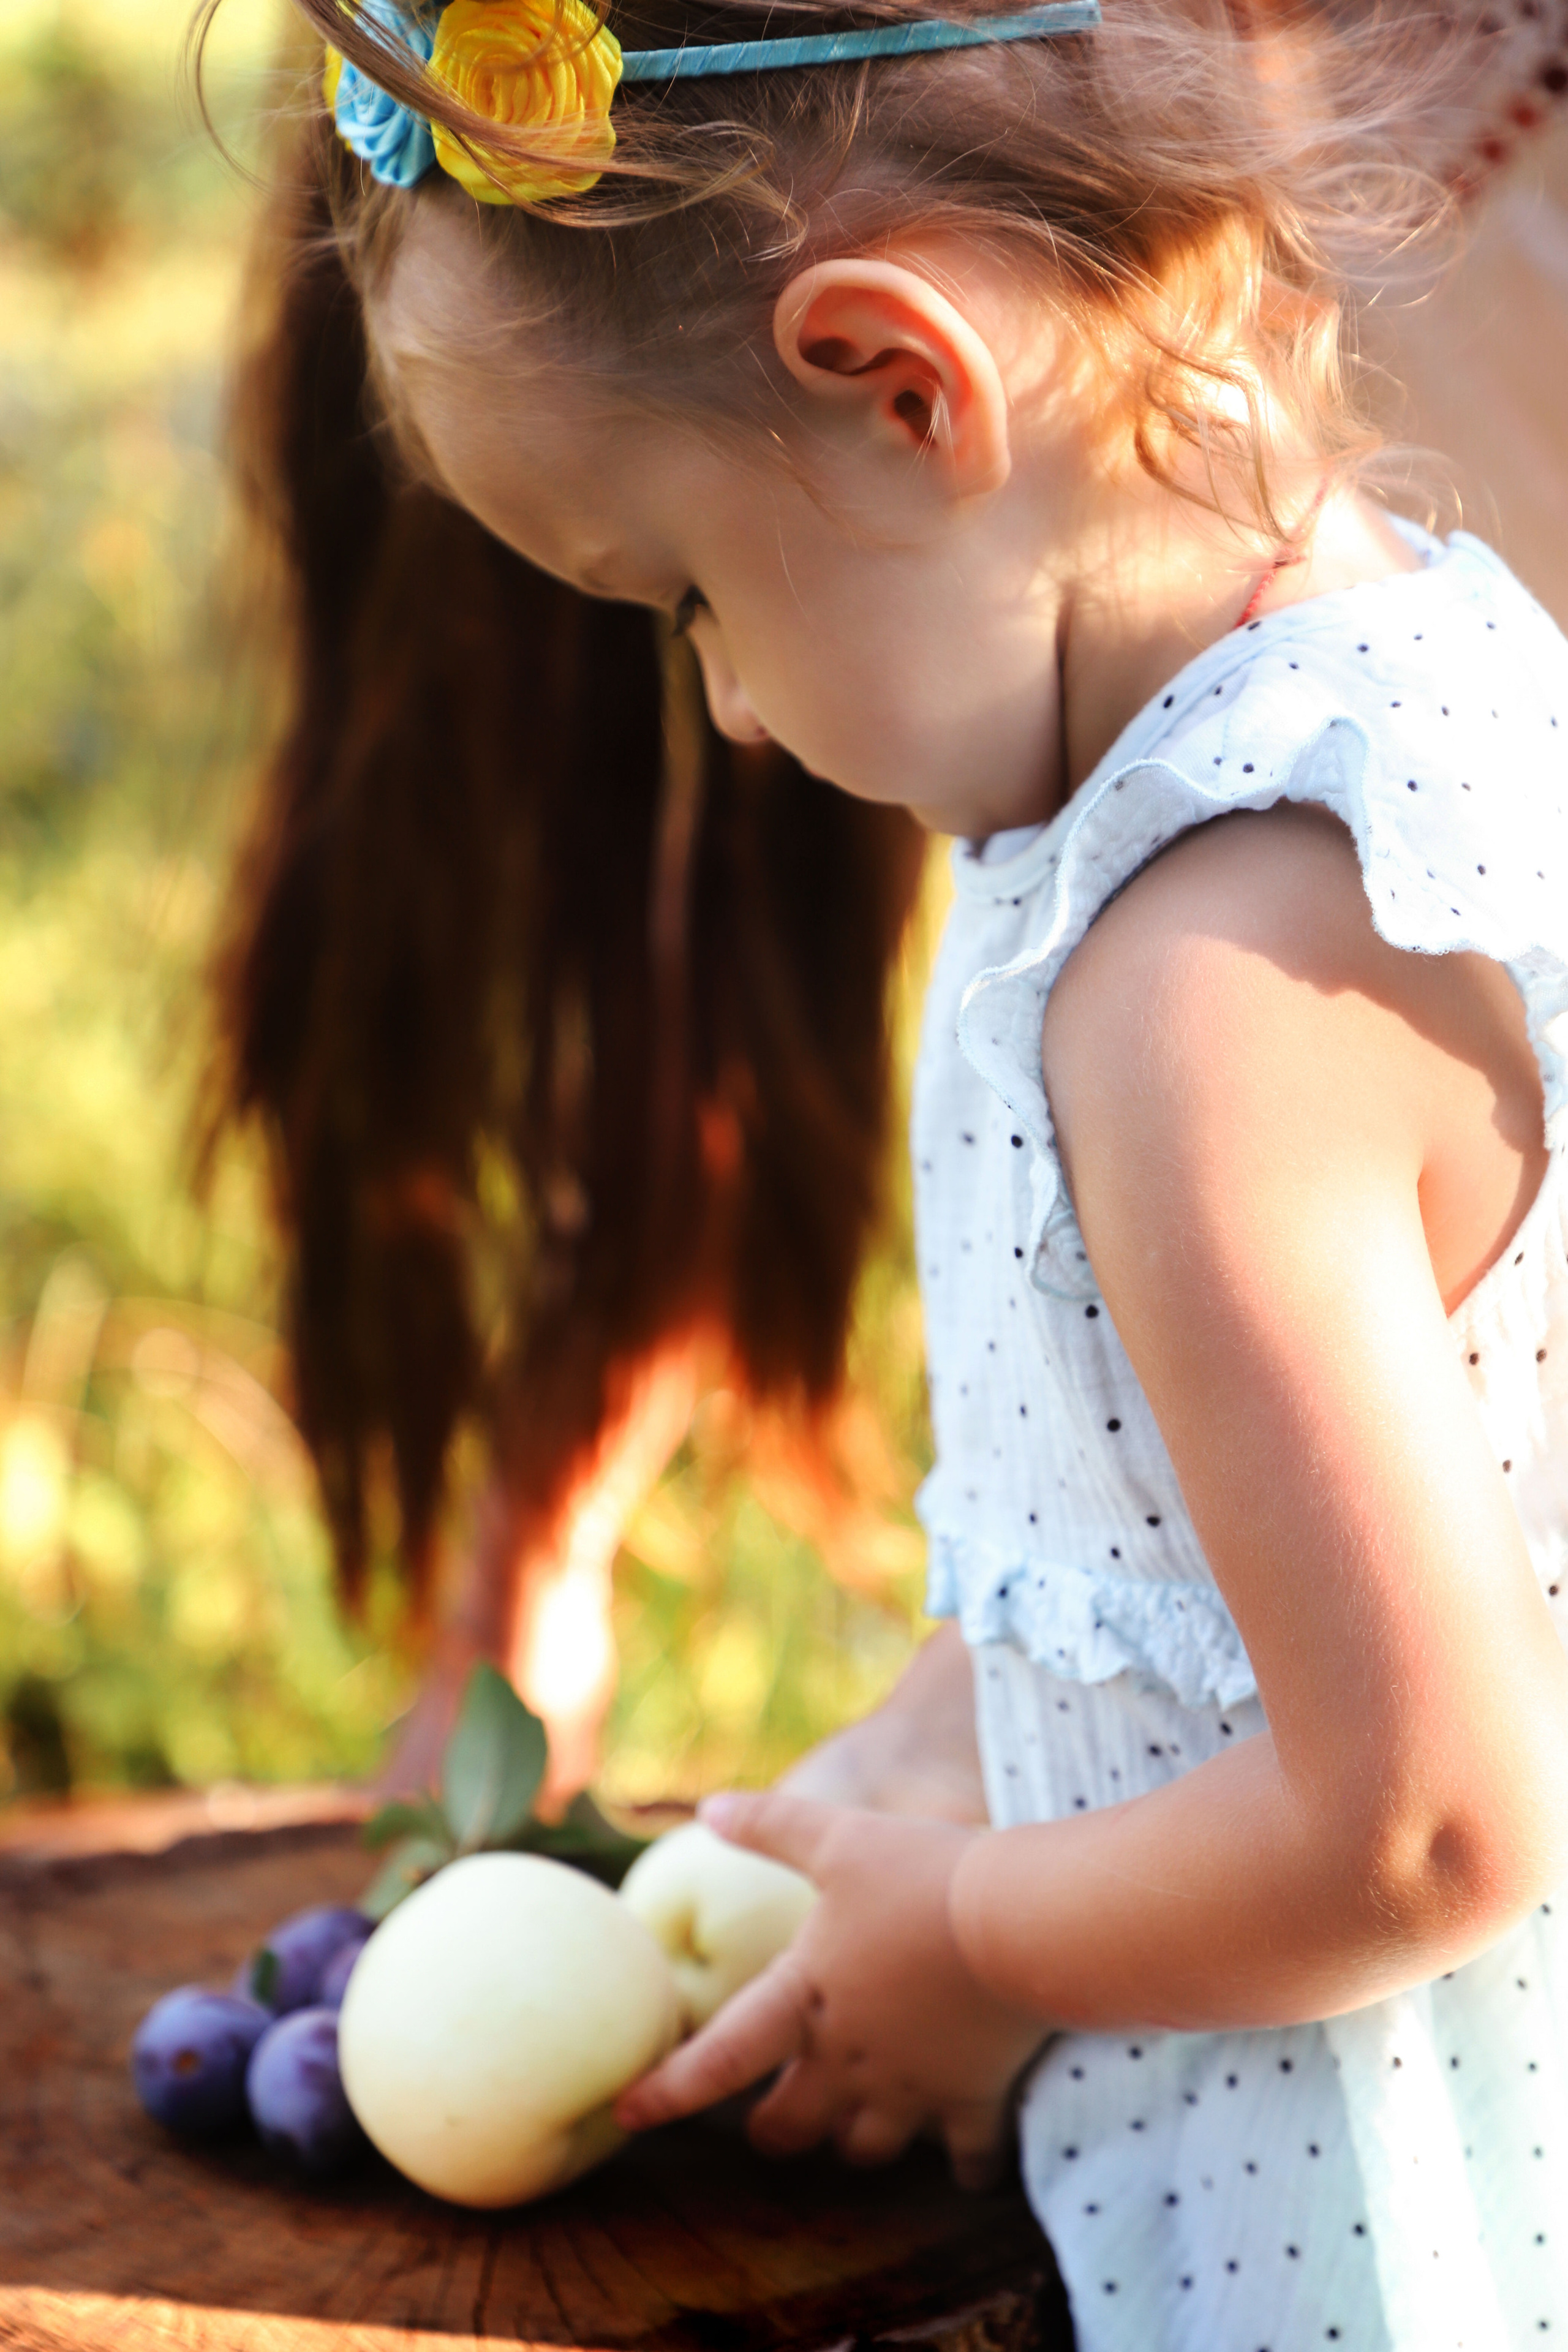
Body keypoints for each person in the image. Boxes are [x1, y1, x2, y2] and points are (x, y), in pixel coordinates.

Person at [214, 0, 1568, 2339]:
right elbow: (1220, 1517)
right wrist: (966, 1742)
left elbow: (1430, 1825)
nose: (726, 706)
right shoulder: (1382, 696)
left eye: (686, 598)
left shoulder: (1203, 991)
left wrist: (963, 1937)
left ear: (903, 384)